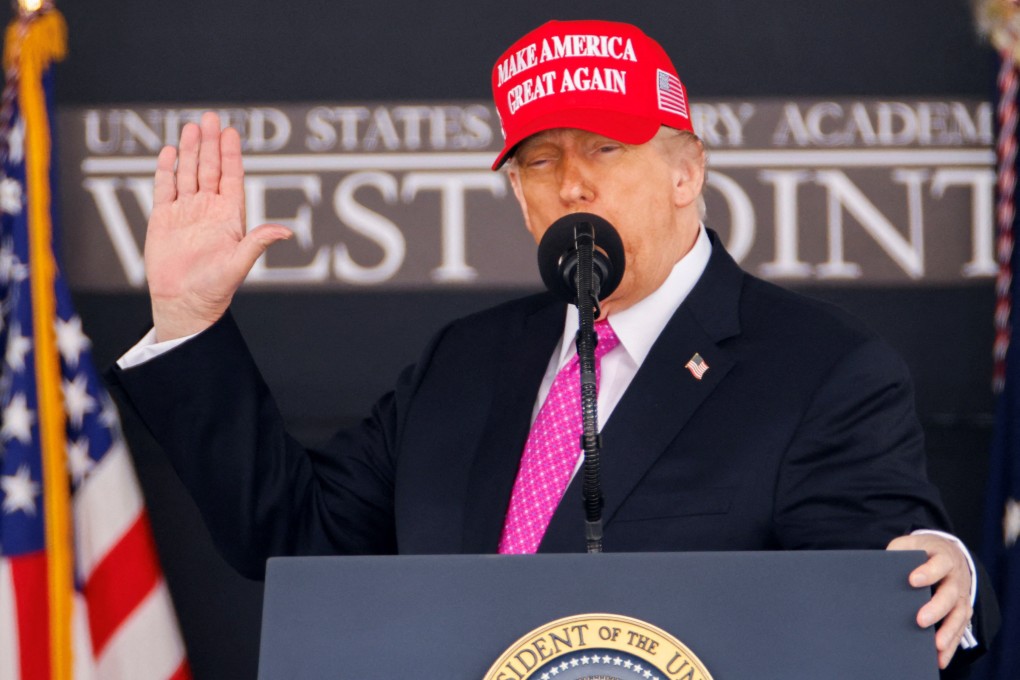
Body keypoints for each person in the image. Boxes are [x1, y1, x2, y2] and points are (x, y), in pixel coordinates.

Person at [112, 19, 996, 670]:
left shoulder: (820, 370)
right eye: (540, 160)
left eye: (605, 148)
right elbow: (296, 536)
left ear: (688, 171)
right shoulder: (463, 364)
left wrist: (937, 572)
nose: (572, 181)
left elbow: (881, 585)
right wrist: (191, 322)